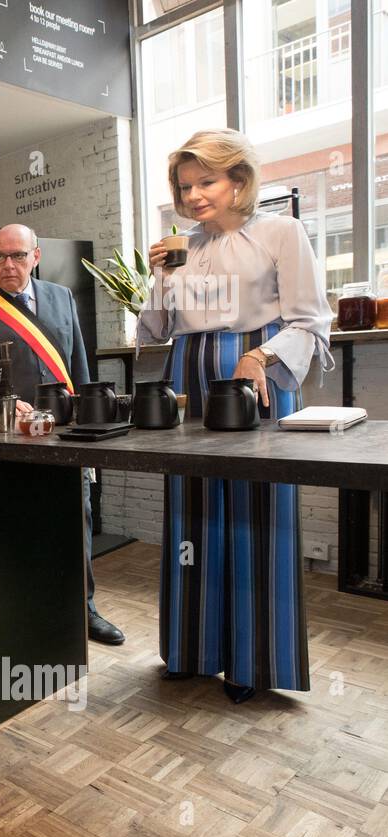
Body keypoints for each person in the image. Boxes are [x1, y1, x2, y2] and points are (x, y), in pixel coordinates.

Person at [137, 128, 333, 704]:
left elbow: (310, 321)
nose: (195, 194)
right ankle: (191, 650)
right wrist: (161, 280)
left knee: (256, 516)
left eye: (207, 181)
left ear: (239, 180)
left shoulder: (281, 231)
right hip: (190, 378)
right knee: (191, 512)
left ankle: (252, 660)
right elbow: (152, 334)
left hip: (257, 377)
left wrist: (262, 355)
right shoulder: (184, 247)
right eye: (185, 185)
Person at [0, 224, 125, 646]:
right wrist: (0, 402)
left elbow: (78, 366)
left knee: (75, 519)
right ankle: (26, 616)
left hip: (65, 435)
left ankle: (84, 609)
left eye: (18, 256)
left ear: (36, 257)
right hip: (13, 438)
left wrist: (89, 421)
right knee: (21, 527)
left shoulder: (61, 298)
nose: (8, 265)